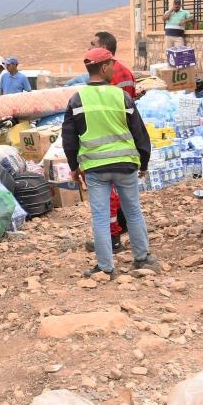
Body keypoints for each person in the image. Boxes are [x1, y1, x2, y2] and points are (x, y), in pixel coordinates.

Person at [62, 47, 157, 278]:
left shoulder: (77, 99)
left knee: (101, 217)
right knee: (133, 212)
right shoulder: (121, 97)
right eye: (112, 64)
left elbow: (69, 139)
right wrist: (143, 163)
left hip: (95, 169)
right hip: (125, 166)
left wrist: (74, 168)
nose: (115, 68)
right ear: (104, 67)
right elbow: (140, 134)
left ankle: (105, 267)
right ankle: (142, 259)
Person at [87, 30, 135, 253]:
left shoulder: (107, 77)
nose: (88, 49)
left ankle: (112, 240)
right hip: (126, 142)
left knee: (109, 199)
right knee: (127, 198)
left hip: (107, 146)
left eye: (92, 45)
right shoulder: (127, 72)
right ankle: (133, 243)